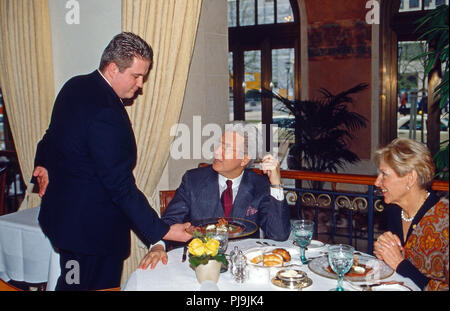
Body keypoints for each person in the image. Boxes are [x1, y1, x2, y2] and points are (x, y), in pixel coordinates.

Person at [32, 32, 192, 290]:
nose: (140, 84)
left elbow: (51, 137)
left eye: (143, 77)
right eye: (136, 76)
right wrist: (162, 230)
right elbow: (119, 184)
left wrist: (41, 164)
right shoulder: (107, 111)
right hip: (92, 234)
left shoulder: (75, 85)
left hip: (65, 225)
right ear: (113, 68)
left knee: (71, 285)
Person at [139, 122, 291, 269]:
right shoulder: (193, 180)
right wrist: (158, 246)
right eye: (219, 144)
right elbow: (170, 220)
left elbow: (279, 234)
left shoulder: (260, 185)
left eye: (227, 148)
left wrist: (276, 185)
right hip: (200, 265)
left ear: (244, 159)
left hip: (243, 266)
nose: (216, 151)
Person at [373, 138, 448, 291]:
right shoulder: (395, 210)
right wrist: (385, 251)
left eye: (384, 174)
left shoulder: (444, 220)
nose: (376, 182)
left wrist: (400, 264)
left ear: (410, 178)